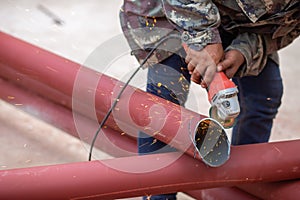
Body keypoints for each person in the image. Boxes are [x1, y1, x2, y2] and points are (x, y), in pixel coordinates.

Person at [119, 0, 300, 199]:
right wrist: (203, 39)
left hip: (245, 24)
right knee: (164, 101)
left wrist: (245, 52)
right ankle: (158, 195)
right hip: (172, 10)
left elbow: (290, 26)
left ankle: (238, 189)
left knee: (264, 96)